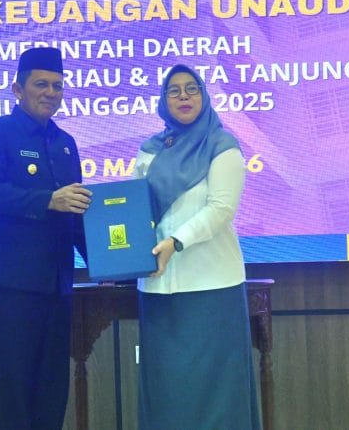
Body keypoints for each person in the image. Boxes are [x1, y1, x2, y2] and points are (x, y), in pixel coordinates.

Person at [0, 46, 92, 430]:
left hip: (56, 287)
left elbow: (74, 216)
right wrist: (47, 200)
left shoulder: (66, 143)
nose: (50, 93)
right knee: (13, 393)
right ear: (17, 89)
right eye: (41, 84)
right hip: (8, 287)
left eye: (57, 85)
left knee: (52, 391)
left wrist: (114, 262)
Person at [134, 64, 261, 430]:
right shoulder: (149, 151)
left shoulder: (223, 146)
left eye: (192, 88)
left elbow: (221, 209)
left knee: (217, 393)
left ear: (204, 96)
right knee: (167, 392)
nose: (184, 96)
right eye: (174, 90)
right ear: (164, 100)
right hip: (159, 287)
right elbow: (136, 211)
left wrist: (176, 242)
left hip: (212, 286)